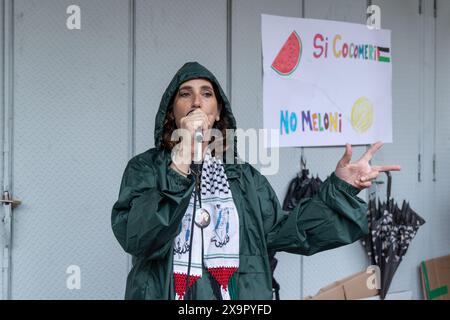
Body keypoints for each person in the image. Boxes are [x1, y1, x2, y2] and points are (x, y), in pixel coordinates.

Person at [111, 61, 401, 300]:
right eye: (185, 94)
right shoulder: (145, 169)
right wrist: (182, 158)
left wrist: (340, 188)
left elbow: (286, 232)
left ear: (218, 111)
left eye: (207, 94)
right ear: (171, 113)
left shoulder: (245, 177)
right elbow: (140, 238)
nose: (197, 101)